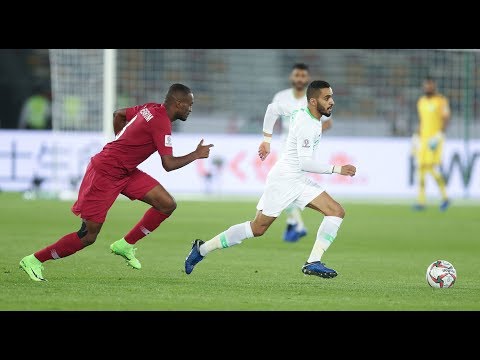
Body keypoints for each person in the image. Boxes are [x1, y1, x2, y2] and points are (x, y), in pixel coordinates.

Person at [19, 83, 214, 281]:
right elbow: (168, 164)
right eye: (189, 105)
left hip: (125, 171)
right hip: (105, 173)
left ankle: (125, 245)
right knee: (87, 236)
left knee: (166, 204)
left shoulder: (150, 108)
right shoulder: (161, 122)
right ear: (178, 103)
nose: (191, 109)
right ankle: (34, 260)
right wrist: (196, 154)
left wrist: (121, 143)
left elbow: (118, 114)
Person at [185, 80, 356, 278]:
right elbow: (305, 163)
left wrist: (267, 140)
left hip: (298, 181)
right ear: (312, 101)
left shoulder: (300, 108)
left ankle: (313, 262)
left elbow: (272, 109)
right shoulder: (306, 126)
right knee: (257, 228)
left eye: (331, 96)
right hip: (283, 181)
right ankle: (202, 249)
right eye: (327, 98)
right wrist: (337, 169)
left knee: (335, 211)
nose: (332, 101)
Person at [271, 63, 332, 242]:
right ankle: (294, 223)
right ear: (292, 77)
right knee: (286, 187)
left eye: (303, 76)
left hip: (304, 151)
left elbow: (328, 122)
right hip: (285, 149)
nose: (299, 79)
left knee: (286, 187)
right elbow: (273, 118)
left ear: (307, 78)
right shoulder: (281, 97)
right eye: (296, 75)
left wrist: (309, 131)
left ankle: (295, 224)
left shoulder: (313, 99)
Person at [412, 77, 450, 211]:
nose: (427, 88)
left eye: (429, 86)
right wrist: (416, 135)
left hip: (435, 139)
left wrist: (440, 134)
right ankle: (421, 201)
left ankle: (445, 197)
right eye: (425, 86)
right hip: (423, 139)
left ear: (434, 86)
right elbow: (422, 121)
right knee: (421, 168)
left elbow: (446, 118)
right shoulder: (421, 102)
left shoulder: (441, 100)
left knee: (430, 167)